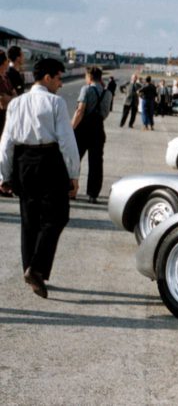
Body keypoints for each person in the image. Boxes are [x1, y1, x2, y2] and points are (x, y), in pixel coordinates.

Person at [0, 58, 80, 299]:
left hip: (23, 163)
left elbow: (7, 140)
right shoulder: (55, 103)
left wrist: (3, 174)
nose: (60, 84)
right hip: (49, 161)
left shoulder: (16, 103)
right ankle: (36, 269)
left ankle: (30, 268)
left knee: (29, 218)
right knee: (58, 215)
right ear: (47, 77)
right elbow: (67, 141)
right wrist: (73, 174)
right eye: (58, 78)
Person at [71, 66, 112, 203]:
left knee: (75, 159)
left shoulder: (86, 89)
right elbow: (105, 113)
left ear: (89, 77)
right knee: (96, 163)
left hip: (83, 129)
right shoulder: (108, 93)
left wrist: (71, 128)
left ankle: (71, 189)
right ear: (100, 77)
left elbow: (80, 111)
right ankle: (93, 194)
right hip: (98, 130)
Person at [0, 50, 17, 140]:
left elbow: (15, 95)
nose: (8, 62)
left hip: (8, 116)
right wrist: (12, 98)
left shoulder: (6, 77)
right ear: (3, 62)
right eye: (7, 60)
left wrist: (9, 98)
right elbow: (2, 102)